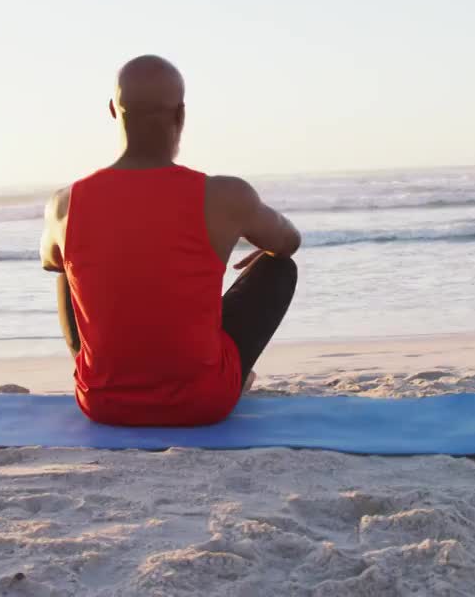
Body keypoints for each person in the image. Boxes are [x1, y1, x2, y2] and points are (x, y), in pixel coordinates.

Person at [39, 55, 301, 426]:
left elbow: (49, 260)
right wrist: (265, 247)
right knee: (279, 268)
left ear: (113, 111)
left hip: (103, 406)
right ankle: (235, 376)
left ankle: (105, 376)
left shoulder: (65, 203)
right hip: (203, 403)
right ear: (181, 114)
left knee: (68, 268)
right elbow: (289, 242)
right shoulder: (225, 195)